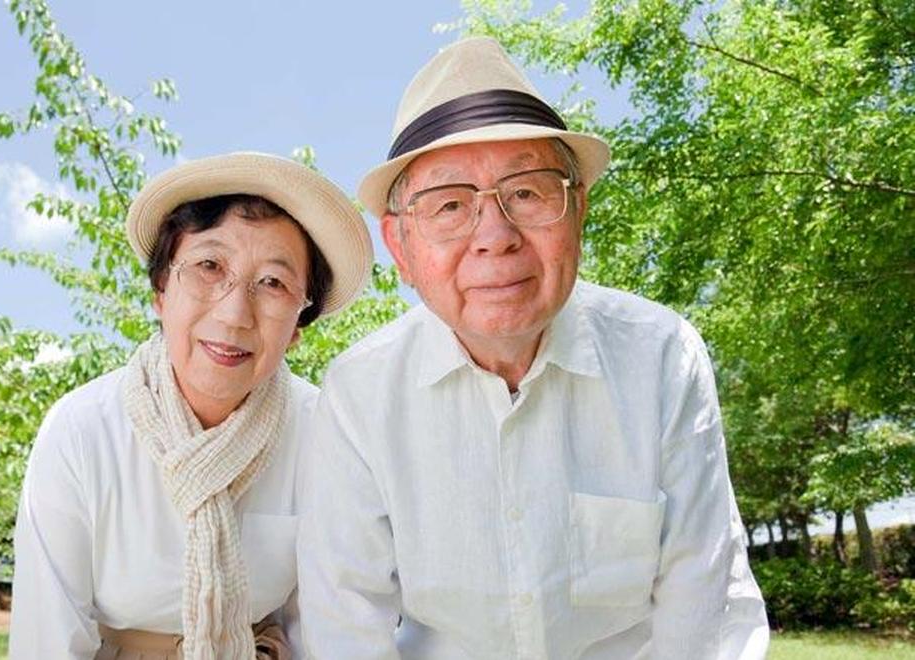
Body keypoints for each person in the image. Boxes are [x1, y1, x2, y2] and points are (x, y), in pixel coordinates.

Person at [297, 37, 769, 659]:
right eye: (449, 205)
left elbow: (702, 601)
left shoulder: (661, 356)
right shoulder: (359, 393)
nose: (495, 236)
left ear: (579, 209)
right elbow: (345, 627)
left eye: (527, 192)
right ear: (402, 247)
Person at [10, 152, 373, 660]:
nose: (234, 313)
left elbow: (325, 625)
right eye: (209, 267)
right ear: (161, 291)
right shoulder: (80, 430)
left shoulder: (324, 432)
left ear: (297, 325)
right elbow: (45, 640)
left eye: (273, 283)